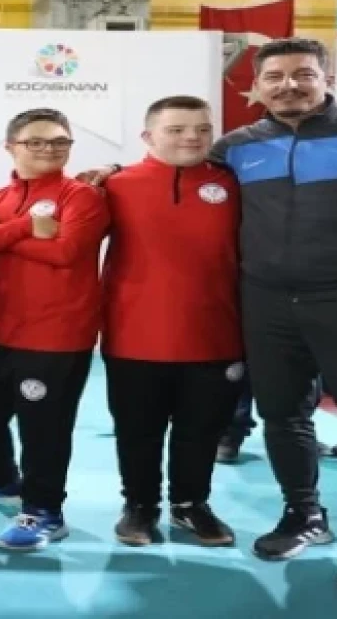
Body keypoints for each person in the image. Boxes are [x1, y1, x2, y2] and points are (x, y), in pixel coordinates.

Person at [83, 38, 337, 591]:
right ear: (256, 87)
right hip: (268, 303)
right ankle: (303, 514)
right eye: (274, 76)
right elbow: (175, 166)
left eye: (303, 73)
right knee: (282, 416)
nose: (288, 85)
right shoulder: (237, 147)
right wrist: (112, 171)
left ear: (326, 79)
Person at [0, 108, 109, 552]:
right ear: (11, 147)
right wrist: (25, 227)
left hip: (56, 335)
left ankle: (44, 511)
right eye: (35, 141)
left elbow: (67, 251)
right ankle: (1, 479)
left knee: (44, 429)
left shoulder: (83, 197)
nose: (49, 149)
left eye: (59, 141)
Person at [101, 96, 243, 548]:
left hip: (216, 335)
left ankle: (191, 504)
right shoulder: (113, 186)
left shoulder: (234, 183)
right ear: (148, 137)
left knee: (201, 432)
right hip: (134, 336)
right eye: (177, 129)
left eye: (202, 129)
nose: (192, 138)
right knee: (137, 432)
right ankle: (139, 506)